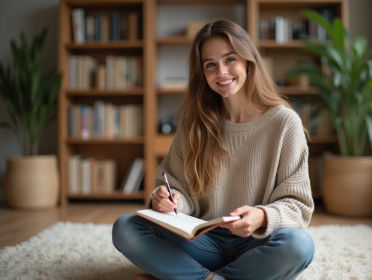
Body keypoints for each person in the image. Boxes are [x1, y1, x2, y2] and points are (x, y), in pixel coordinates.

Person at [112, 18, 315, 280]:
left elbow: (298, 206)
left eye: (230, 59)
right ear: (202, 73)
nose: (221, 72)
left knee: (299, 246)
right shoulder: (193, 124)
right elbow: (178, 190)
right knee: (125, 228)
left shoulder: (285, 123)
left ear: (248, 60)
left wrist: (262, 216)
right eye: (210, 65)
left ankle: (186, 276)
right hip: (201, 243)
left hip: (257, 242)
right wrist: (168, 201)